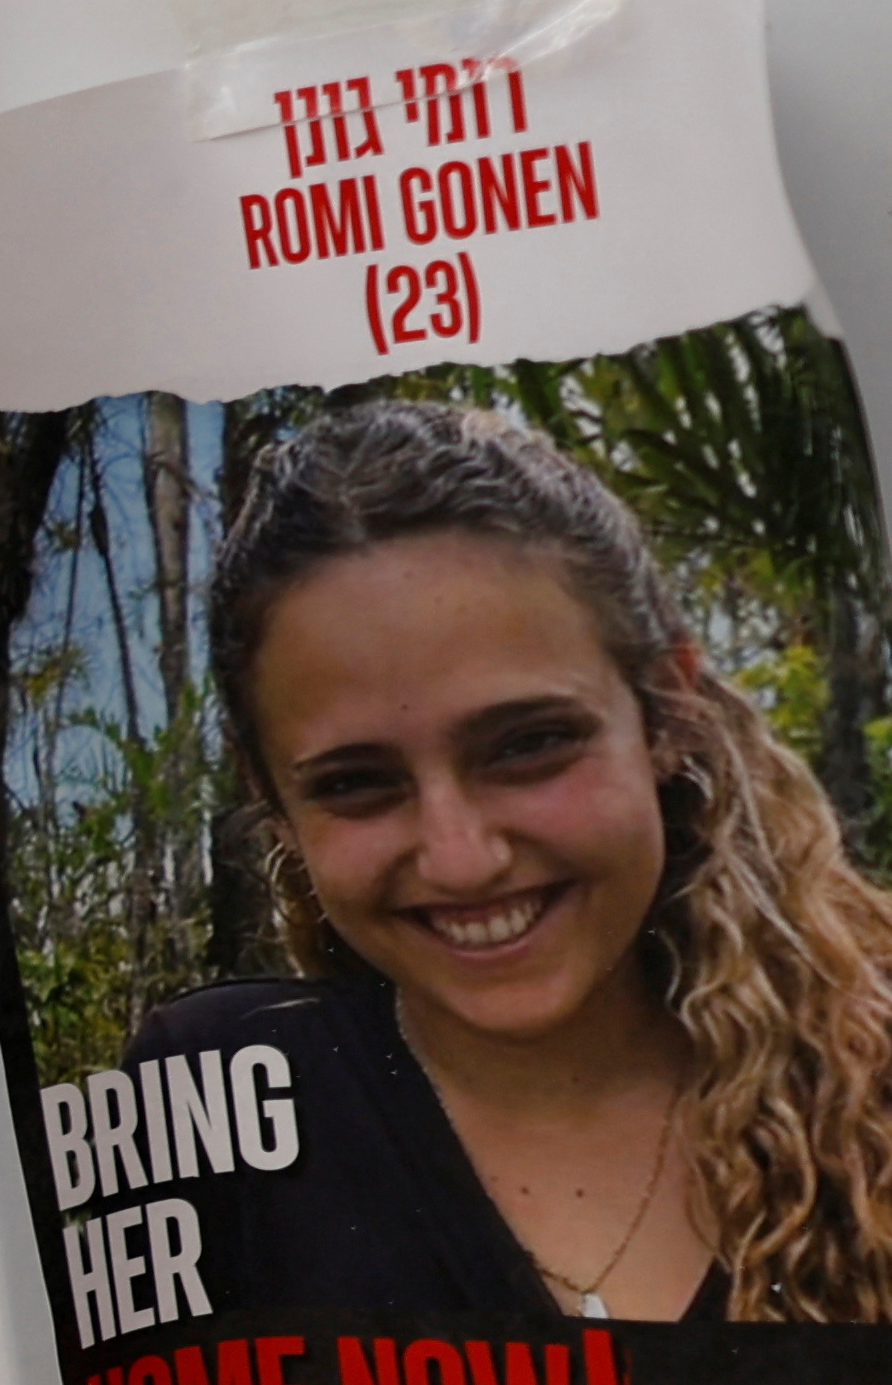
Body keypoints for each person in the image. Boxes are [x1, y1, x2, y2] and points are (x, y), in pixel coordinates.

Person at [134, 399, 892, 1332]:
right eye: (356, 783)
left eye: (529, 744)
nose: (462, 860)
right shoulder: (216, 1100)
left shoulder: (871, 1078)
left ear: (665, 709)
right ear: (275, 800)